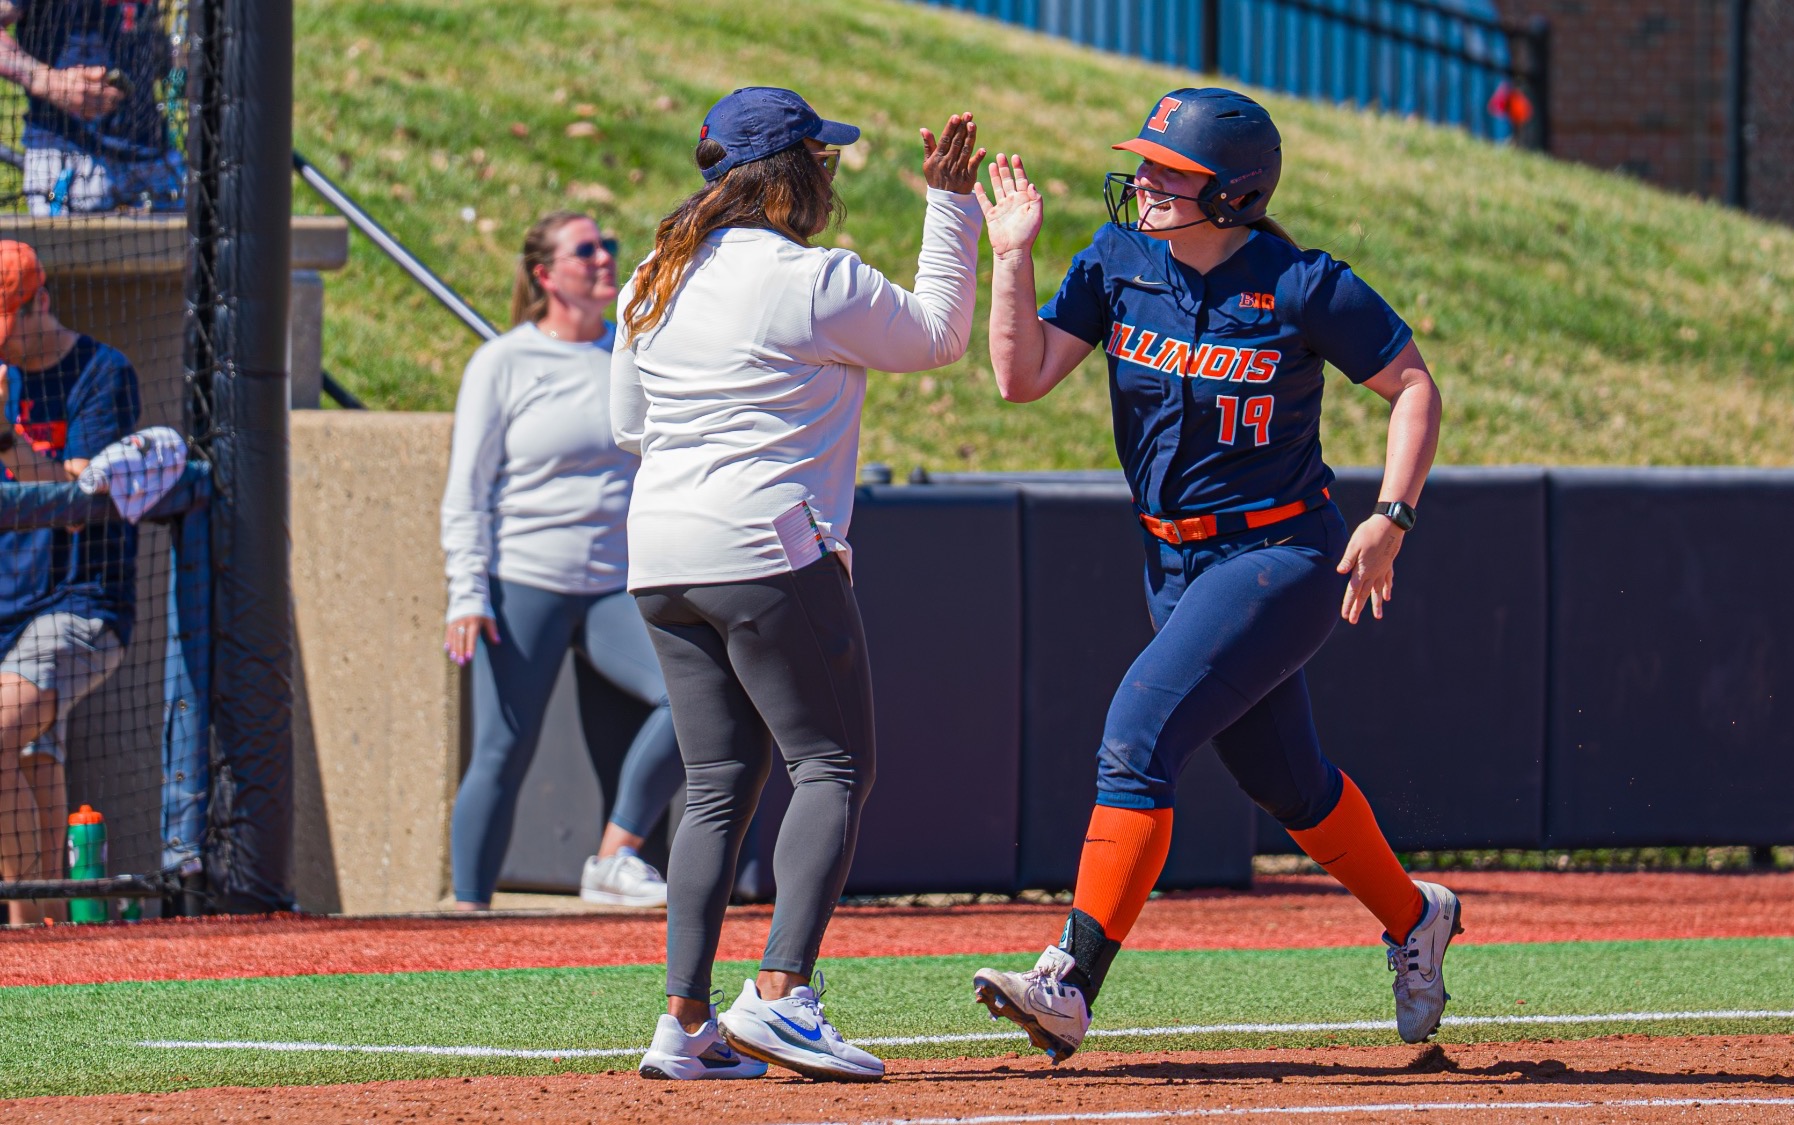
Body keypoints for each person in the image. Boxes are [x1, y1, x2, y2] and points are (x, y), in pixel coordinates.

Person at [967, 89, 1461, 1062]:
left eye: (1169, 170)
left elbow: (1411, 387)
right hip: (1172, 560)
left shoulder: (1300, 284)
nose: (1144, 179)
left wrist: (1390, 517)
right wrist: (1013, 255)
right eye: (1144, 162)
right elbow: (1019, 376)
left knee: (1135, 735)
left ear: (1232, 194)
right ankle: (1415, 916)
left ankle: (1069, 982)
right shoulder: (1116, 264)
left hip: (1279, 555)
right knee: (1290, 786)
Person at [611, 88, 982, 1083]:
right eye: (824, 157)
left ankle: (683, 1024)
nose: (831, 174)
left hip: (657, 553)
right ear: (792, 172)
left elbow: (627, 424)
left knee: (713, 784)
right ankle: (781, 995)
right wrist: (951, 204)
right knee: (832, 768)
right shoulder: (811, 277)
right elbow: (939, 337)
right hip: (763, 547)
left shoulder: (654, 271)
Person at [440, 211, 684, 911]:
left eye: (608, 245)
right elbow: (467, 489)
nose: (605, 258)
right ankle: (466, 912)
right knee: (501, 750)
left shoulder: (631, 349)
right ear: (546, 275)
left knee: (691, 697)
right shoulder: (503, 361)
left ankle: (614, 856)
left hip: (617, 585)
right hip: (523, 581)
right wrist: (468, 591)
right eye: (586, 251)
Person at [0, 239, 139, 925]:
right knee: (28, 758)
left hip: (80, 604)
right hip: (8, 602)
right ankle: (46, 944)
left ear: (40, 302)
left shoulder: (101, 374)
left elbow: (80, 506)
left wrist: (3, 436)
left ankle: (27, 941)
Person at [0, 0, 182, 215]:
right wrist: (45, 80)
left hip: (153, 158)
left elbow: (144, 35)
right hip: (71, 159)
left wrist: (185, 63)